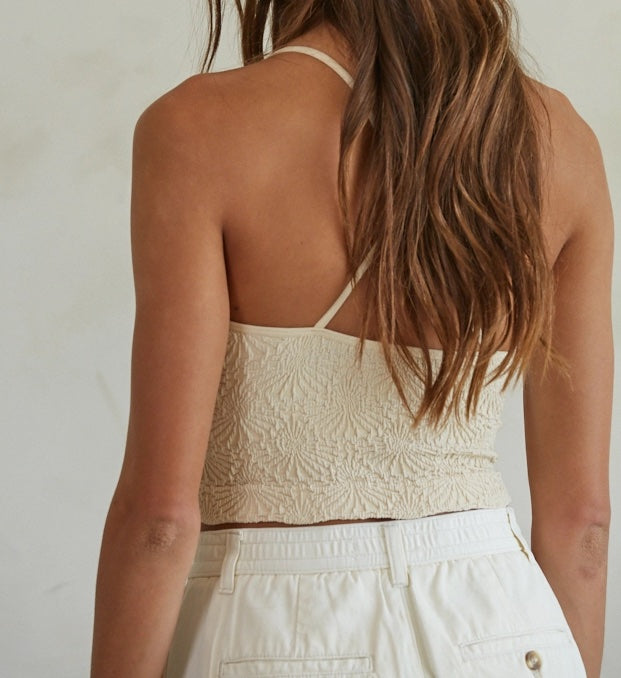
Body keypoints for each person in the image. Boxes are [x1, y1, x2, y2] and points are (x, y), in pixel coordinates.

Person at [91, 1, 613, 676]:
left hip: (273, 631)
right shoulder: (562, 141)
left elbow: (159, 521)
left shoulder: (199, 128)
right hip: (504, 628)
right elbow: (582, 526)